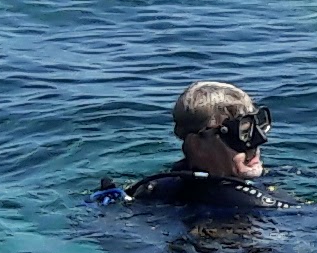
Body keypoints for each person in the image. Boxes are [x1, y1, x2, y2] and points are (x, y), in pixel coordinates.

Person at [97, 79, 282, 212]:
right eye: (241, 133)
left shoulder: (158, 186)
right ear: (197, 146)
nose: (257, 142)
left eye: (255, 126)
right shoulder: (245, 203)